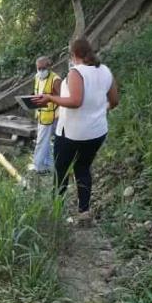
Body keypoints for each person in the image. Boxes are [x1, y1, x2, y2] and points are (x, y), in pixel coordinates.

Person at [32, 38, 119, 222]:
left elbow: (75, 101)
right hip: (97, 133)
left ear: (73, 55)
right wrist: (98, 111)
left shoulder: (76, 73)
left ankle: (57, 214)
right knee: (83, 168)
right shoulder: (104, 71)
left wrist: (50, 98)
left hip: (72, 133)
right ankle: (84, 211)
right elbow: (114, 101)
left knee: (61, 170)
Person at [29, 56, 62, 174]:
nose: (41, 71)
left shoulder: (56, 80)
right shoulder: (37, 77)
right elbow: (37, 92)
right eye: (39, 68)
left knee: (42, 141)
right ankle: (48, 165)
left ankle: (38, 166)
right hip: (41, 114)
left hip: (53, 116)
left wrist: (49, 99)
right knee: (46, 141)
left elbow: (62, 98)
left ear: (49, 66)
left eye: (44, 68)